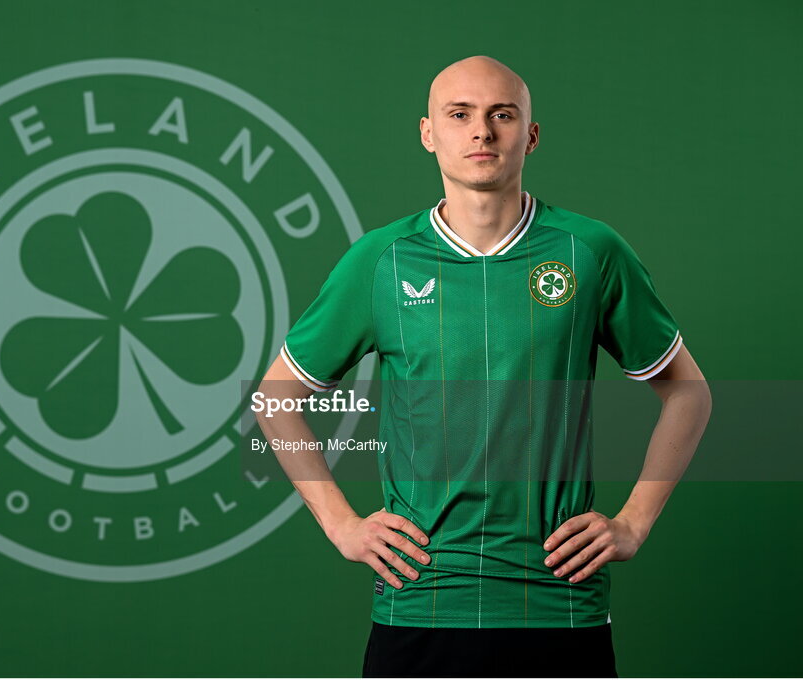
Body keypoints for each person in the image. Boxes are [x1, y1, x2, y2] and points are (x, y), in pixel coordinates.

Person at [253, 55, 712, 678]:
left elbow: (688, 392)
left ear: (532, 134)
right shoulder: (382, 260)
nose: (482, 131)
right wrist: (342, 525)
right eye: (459, 114)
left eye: (502, 114)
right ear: (428, 133)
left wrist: (633, 522)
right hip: (421, 599)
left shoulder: (590, 250)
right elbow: (276, 400)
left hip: (559, 601)